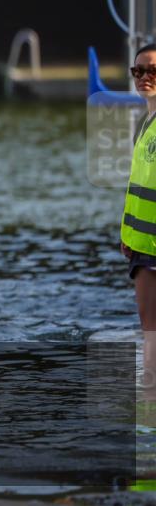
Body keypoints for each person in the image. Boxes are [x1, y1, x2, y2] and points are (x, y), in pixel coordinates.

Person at [121, 43, 156, 394]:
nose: (145, 77)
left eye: (153, 71)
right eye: (139, 71)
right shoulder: (144, 125)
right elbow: (138, 187)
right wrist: (128, 234)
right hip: (144, 244)